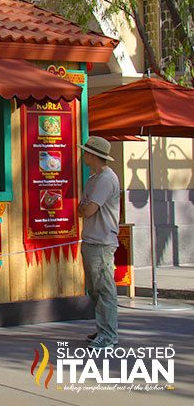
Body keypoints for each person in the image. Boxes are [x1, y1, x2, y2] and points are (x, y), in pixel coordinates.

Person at [77, 136, 120, 349]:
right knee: (95, 289)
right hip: (91, 239)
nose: (83, 155)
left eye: (86, 151)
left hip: (102, 242)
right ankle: (103, 328)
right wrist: (83, 208)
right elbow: (81, 209)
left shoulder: (105, 179)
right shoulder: (93, 179)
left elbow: (88, 209)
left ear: (94, 155)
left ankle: (109, 335)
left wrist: (84, 208)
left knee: (104, 289)